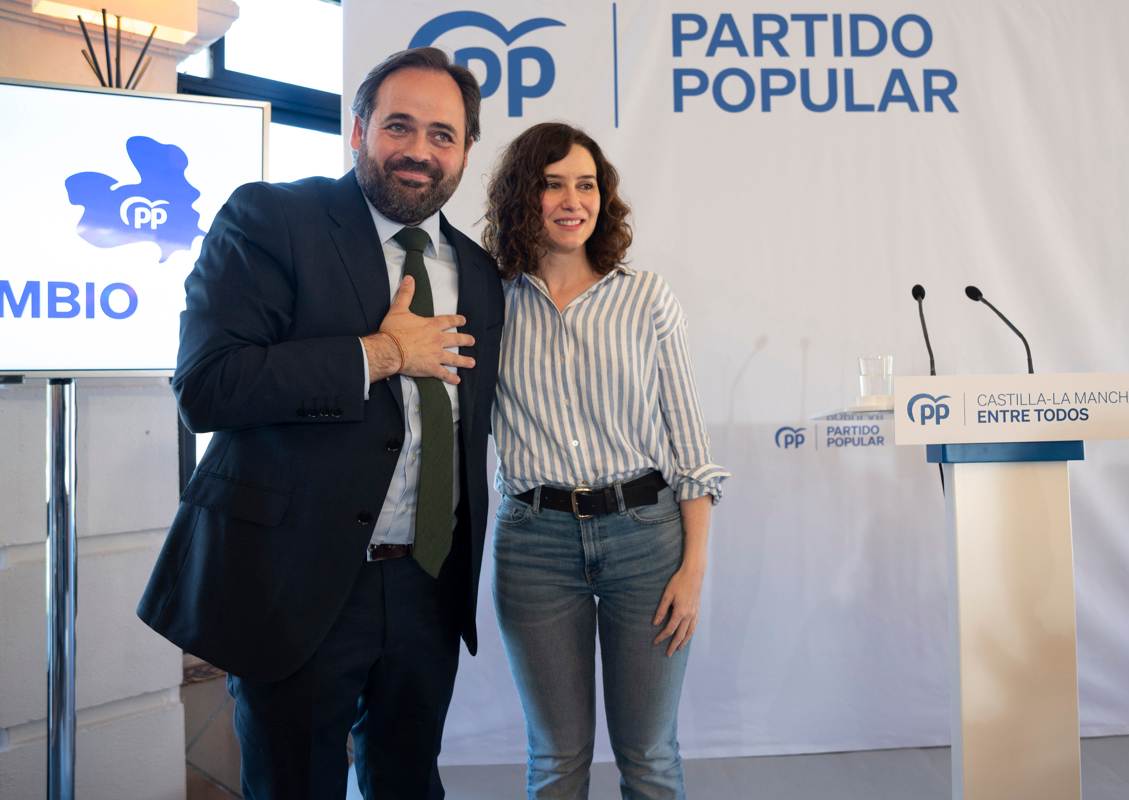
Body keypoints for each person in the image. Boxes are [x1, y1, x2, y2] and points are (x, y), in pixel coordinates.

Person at [137, 47, 504, 799]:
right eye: (399, 127)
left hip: (427, 582)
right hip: (294, 582)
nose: (419, 152)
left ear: (466, 149)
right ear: (359, 129)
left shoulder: (478, 272)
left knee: (407, 783)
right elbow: (208, 387)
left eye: (443, 135)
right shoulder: (273, 217)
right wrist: (379, 353)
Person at [482, 122, 728, 799]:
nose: (572, 200)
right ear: (521, 198)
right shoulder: (489, 303)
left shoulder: (647, 297)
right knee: (555, 760)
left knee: (648, 755)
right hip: (534, 546)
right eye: (552, 184)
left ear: (603, 198)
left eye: (585, 185)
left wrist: (693, 570)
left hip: (645, 541)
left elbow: (690, 449)